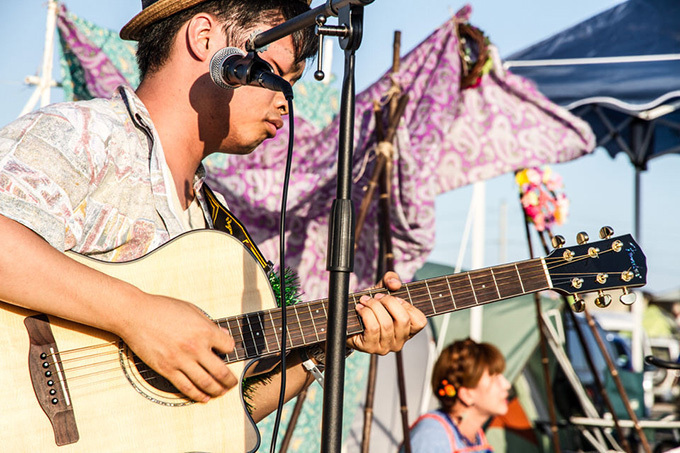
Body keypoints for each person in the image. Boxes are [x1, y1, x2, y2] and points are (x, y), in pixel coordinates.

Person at [0, 0, 426, 424]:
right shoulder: (84, 137)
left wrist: (333, 340)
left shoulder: (212, 220)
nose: (286, 103)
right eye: (275, 73)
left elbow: (223, 415)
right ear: (206, 39)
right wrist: (136, 314)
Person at [403, 338, 510, 453]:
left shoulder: (477, 438)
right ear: (467, 394)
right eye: (494, 379)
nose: (506, 385)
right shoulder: (431, 437)